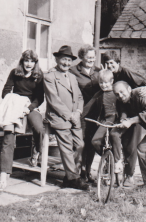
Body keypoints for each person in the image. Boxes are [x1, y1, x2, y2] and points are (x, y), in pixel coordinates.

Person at [0, 50, 44, 194]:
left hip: (30, 108)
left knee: (39, 128)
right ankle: (3, 178)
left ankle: (36, 152)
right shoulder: (14, 73)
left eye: (32, 61)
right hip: (15, 108)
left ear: (35, 63)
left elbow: (40, 98)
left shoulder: (39, 76)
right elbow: (5, 92)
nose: (29, 64)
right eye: (26, 60)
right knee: (8, 139)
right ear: (22, 61)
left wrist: (28, 108)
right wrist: (17, 101)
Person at [102, 50, 146, 186]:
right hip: (123, 112)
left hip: (135, 113)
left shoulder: (126, 73)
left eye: (111, 63)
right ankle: (117, 164)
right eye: (106, 64)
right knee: (114, 135)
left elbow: (144, 82)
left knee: (131, 146)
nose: (109, 66)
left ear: (118, 62)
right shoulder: (110, 76)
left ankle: (129, 176)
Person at [43, 45, 89, 191]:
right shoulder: (49, 77)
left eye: (69, 60)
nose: (66, 63)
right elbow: (53, 101)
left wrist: (78, 112)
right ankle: (74, 178)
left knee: (80, 145)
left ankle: (69, 175)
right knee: (67, 146)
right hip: (59, 117)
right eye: (64, 59)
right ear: (57, 59)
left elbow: (80, 97)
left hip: (75, 116)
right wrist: (69, 116)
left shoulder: (72, 77)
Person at [70, 45, 100, 182]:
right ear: (82, 57)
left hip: (95, 112)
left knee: (91, 142)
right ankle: (76, 172)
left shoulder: (98, 71)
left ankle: (87, 171)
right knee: (79, 143)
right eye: (88, 57)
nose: (91, 60)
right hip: (80, 111)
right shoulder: (73, 71)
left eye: (93, 58)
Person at [82, 69, 122, 173]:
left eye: (106, 83)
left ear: (112, 81)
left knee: (103, 140)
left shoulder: (116, 92)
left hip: (114, 120)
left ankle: (114, 160)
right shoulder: (99, 94)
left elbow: (124, 105)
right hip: (104, 121)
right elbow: (88, 107)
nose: (103, 85)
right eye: (101, 83)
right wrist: (80, 115)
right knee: (95, 142)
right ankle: (108, 158)